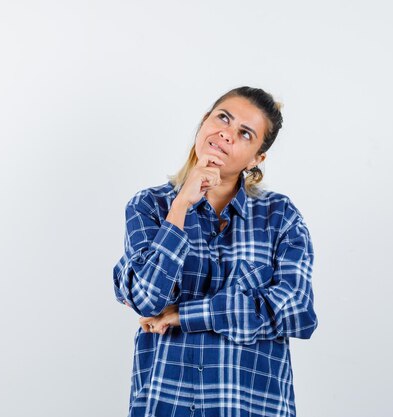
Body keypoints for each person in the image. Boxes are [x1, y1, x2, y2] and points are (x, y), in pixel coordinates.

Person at [112, 86, 318, 417]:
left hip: (251, 407)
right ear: (204, 120)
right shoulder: (149, 206)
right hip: (167, 404)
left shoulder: (280, 217)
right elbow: (147, 298)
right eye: (223, 117)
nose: (226, 134)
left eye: (245, 133)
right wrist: (180, 206)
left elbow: (297, 311)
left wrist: (185, 315)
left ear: (256, 159)